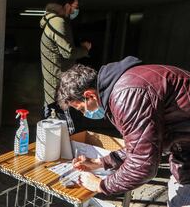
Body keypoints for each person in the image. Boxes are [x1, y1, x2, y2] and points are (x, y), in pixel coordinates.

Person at [56, 56, 190, 207]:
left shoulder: (127, 96)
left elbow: (142, 164)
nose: (84, 114)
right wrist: (99, 162)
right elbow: (143, 144)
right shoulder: (126, 84)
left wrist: (101, 185)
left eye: (81, 109)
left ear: (90, 95)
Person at [39, 0, 91, 134]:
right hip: (61, 85)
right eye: (75, 6)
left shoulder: (52, 21)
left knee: (55, 127)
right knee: (66, 129)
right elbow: (68, 52)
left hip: (56, 84)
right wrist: (84, 49)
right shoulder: (58, 22)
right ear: (67, 5)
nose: (76, 10)